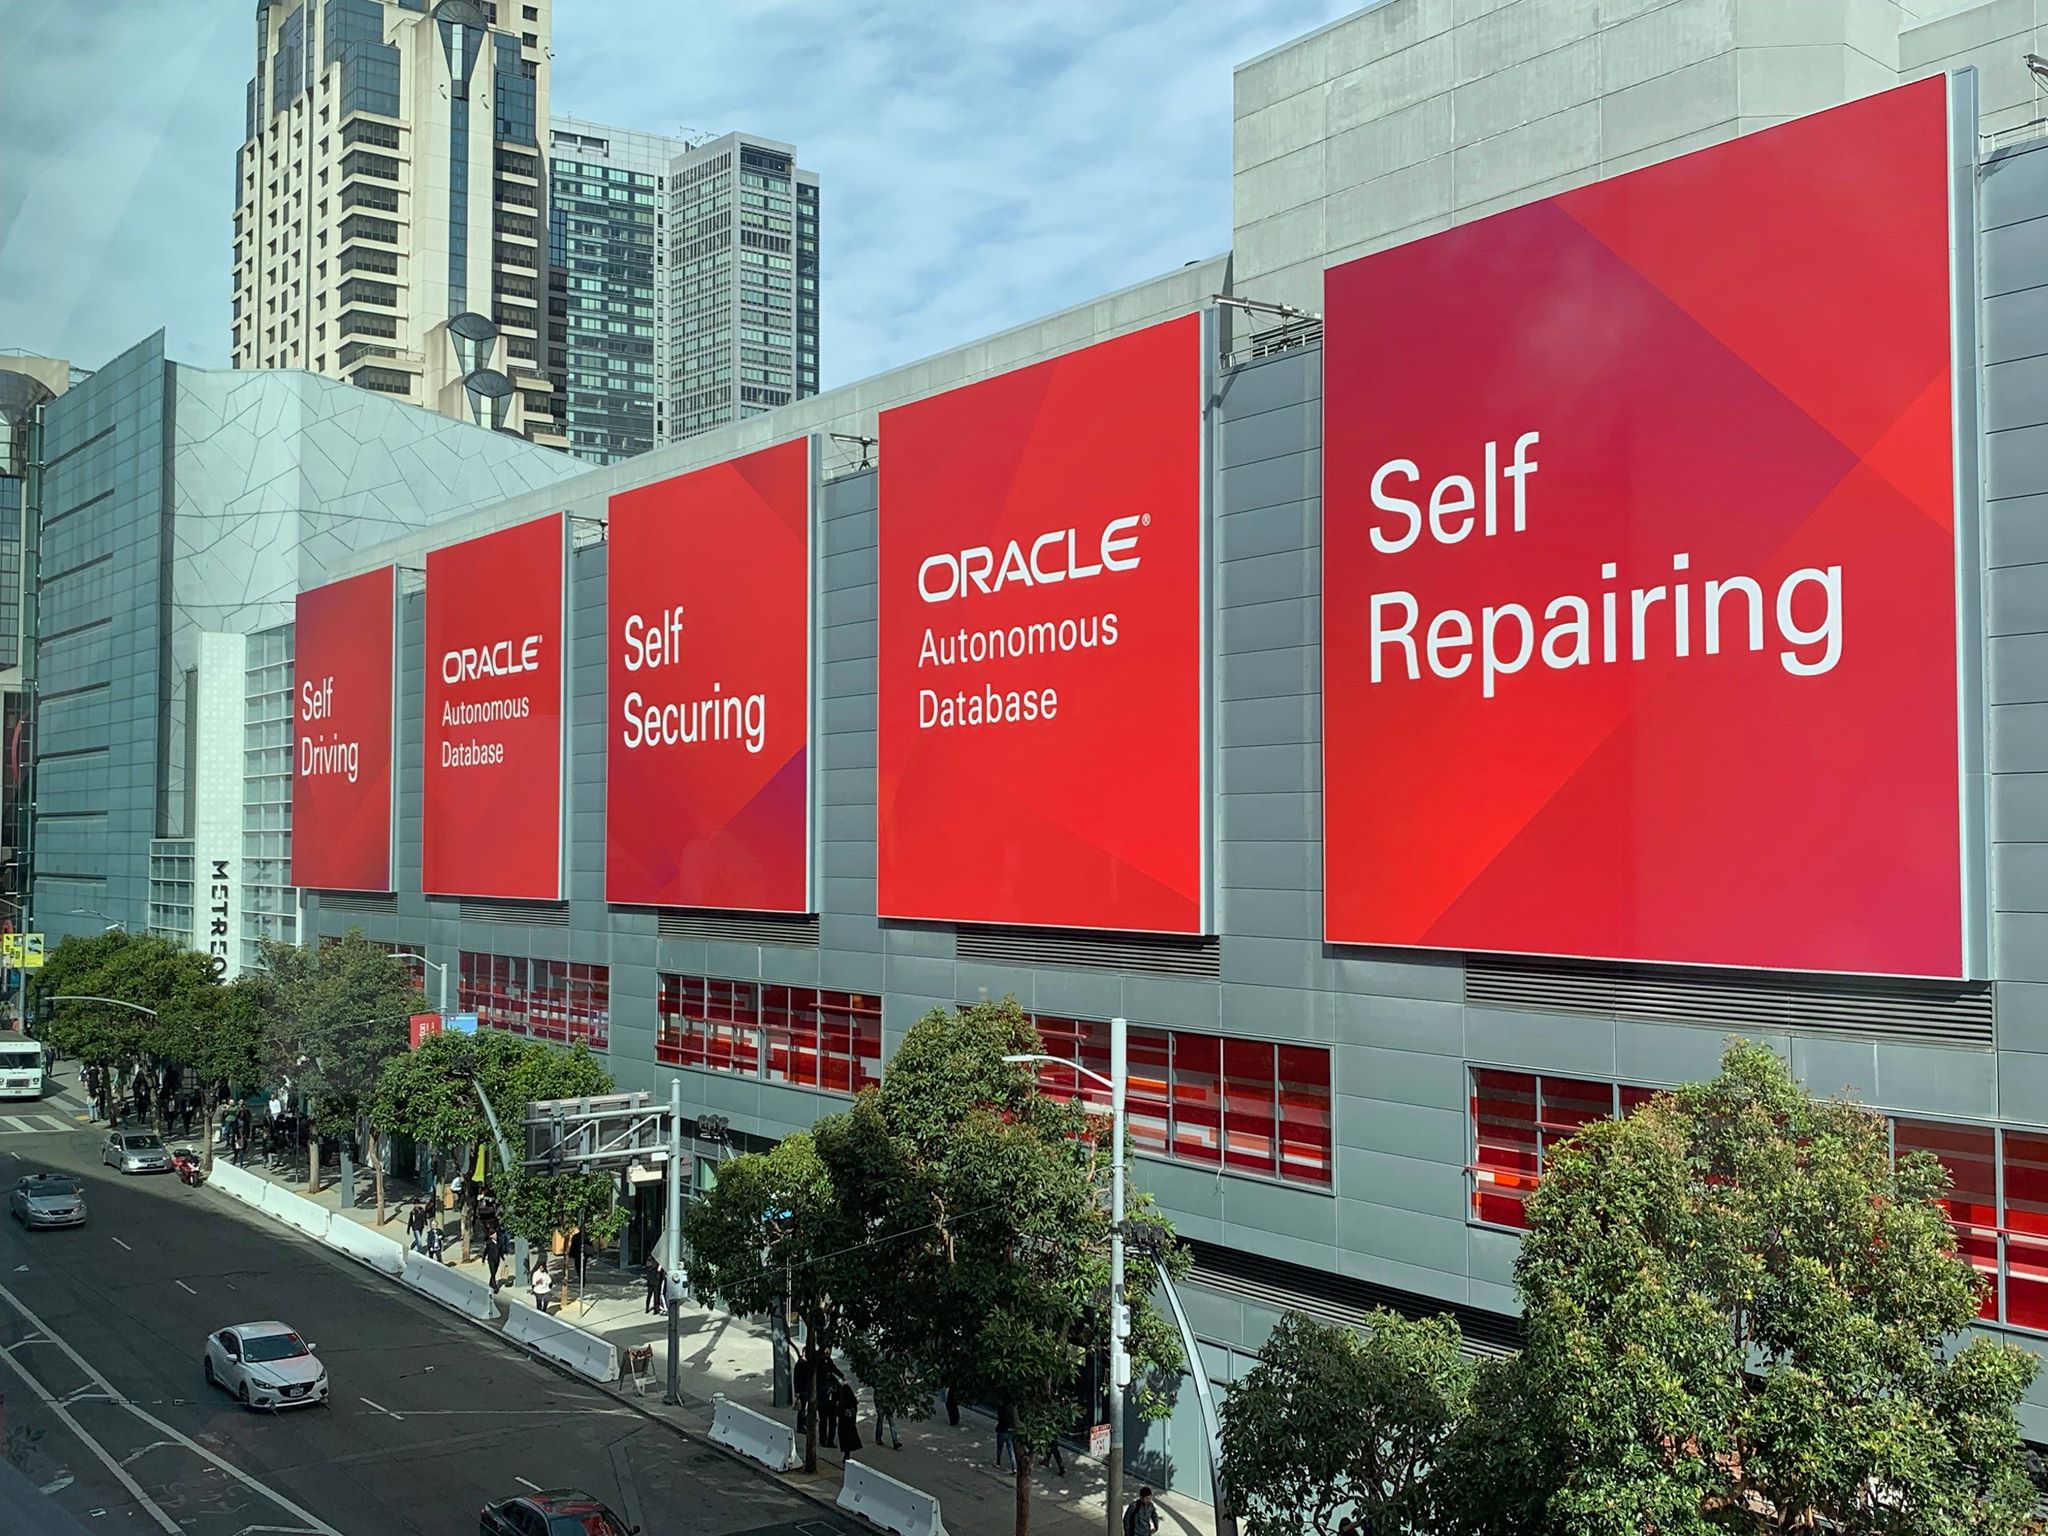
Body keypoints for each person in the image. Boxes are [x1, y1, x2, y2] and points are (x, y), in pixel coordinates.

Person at [873, 1385, 901, 1451]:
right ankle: (879, 1438)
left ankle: (895, 1441)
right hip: (883, 1406)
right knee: (882, 1422)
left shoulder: (885, 1385)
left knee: (889, 1423)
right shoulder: (882, 1385)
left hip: (887, 1406)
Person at [994, 1400, 1016, 1470]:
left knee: (999, 1448)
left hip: (1002, 1431)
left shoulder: (1001, 1410)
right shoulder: (1012, 1411)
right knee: (1010, 1450)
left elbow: (1000, 1420)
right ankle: (1014, 1467)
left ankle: (998, 1463)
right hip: (1009, 1431)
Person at [483, 1225, 505, 1292]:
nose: (495, 1236)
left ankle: (491, 1283)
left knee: (494, 1272)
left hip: (497, 1259)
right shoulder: (489, 1243)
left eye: (496, 1234)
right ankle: (495, 1287)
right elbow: (485, 1252)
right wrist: (483, 1260)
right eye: (494, 1235)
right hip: (491, 1260)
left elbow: (500, 1251)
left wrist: (503, 1258)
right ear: (491, 1236)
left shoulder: (499, 1241)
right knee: (492, 1273)